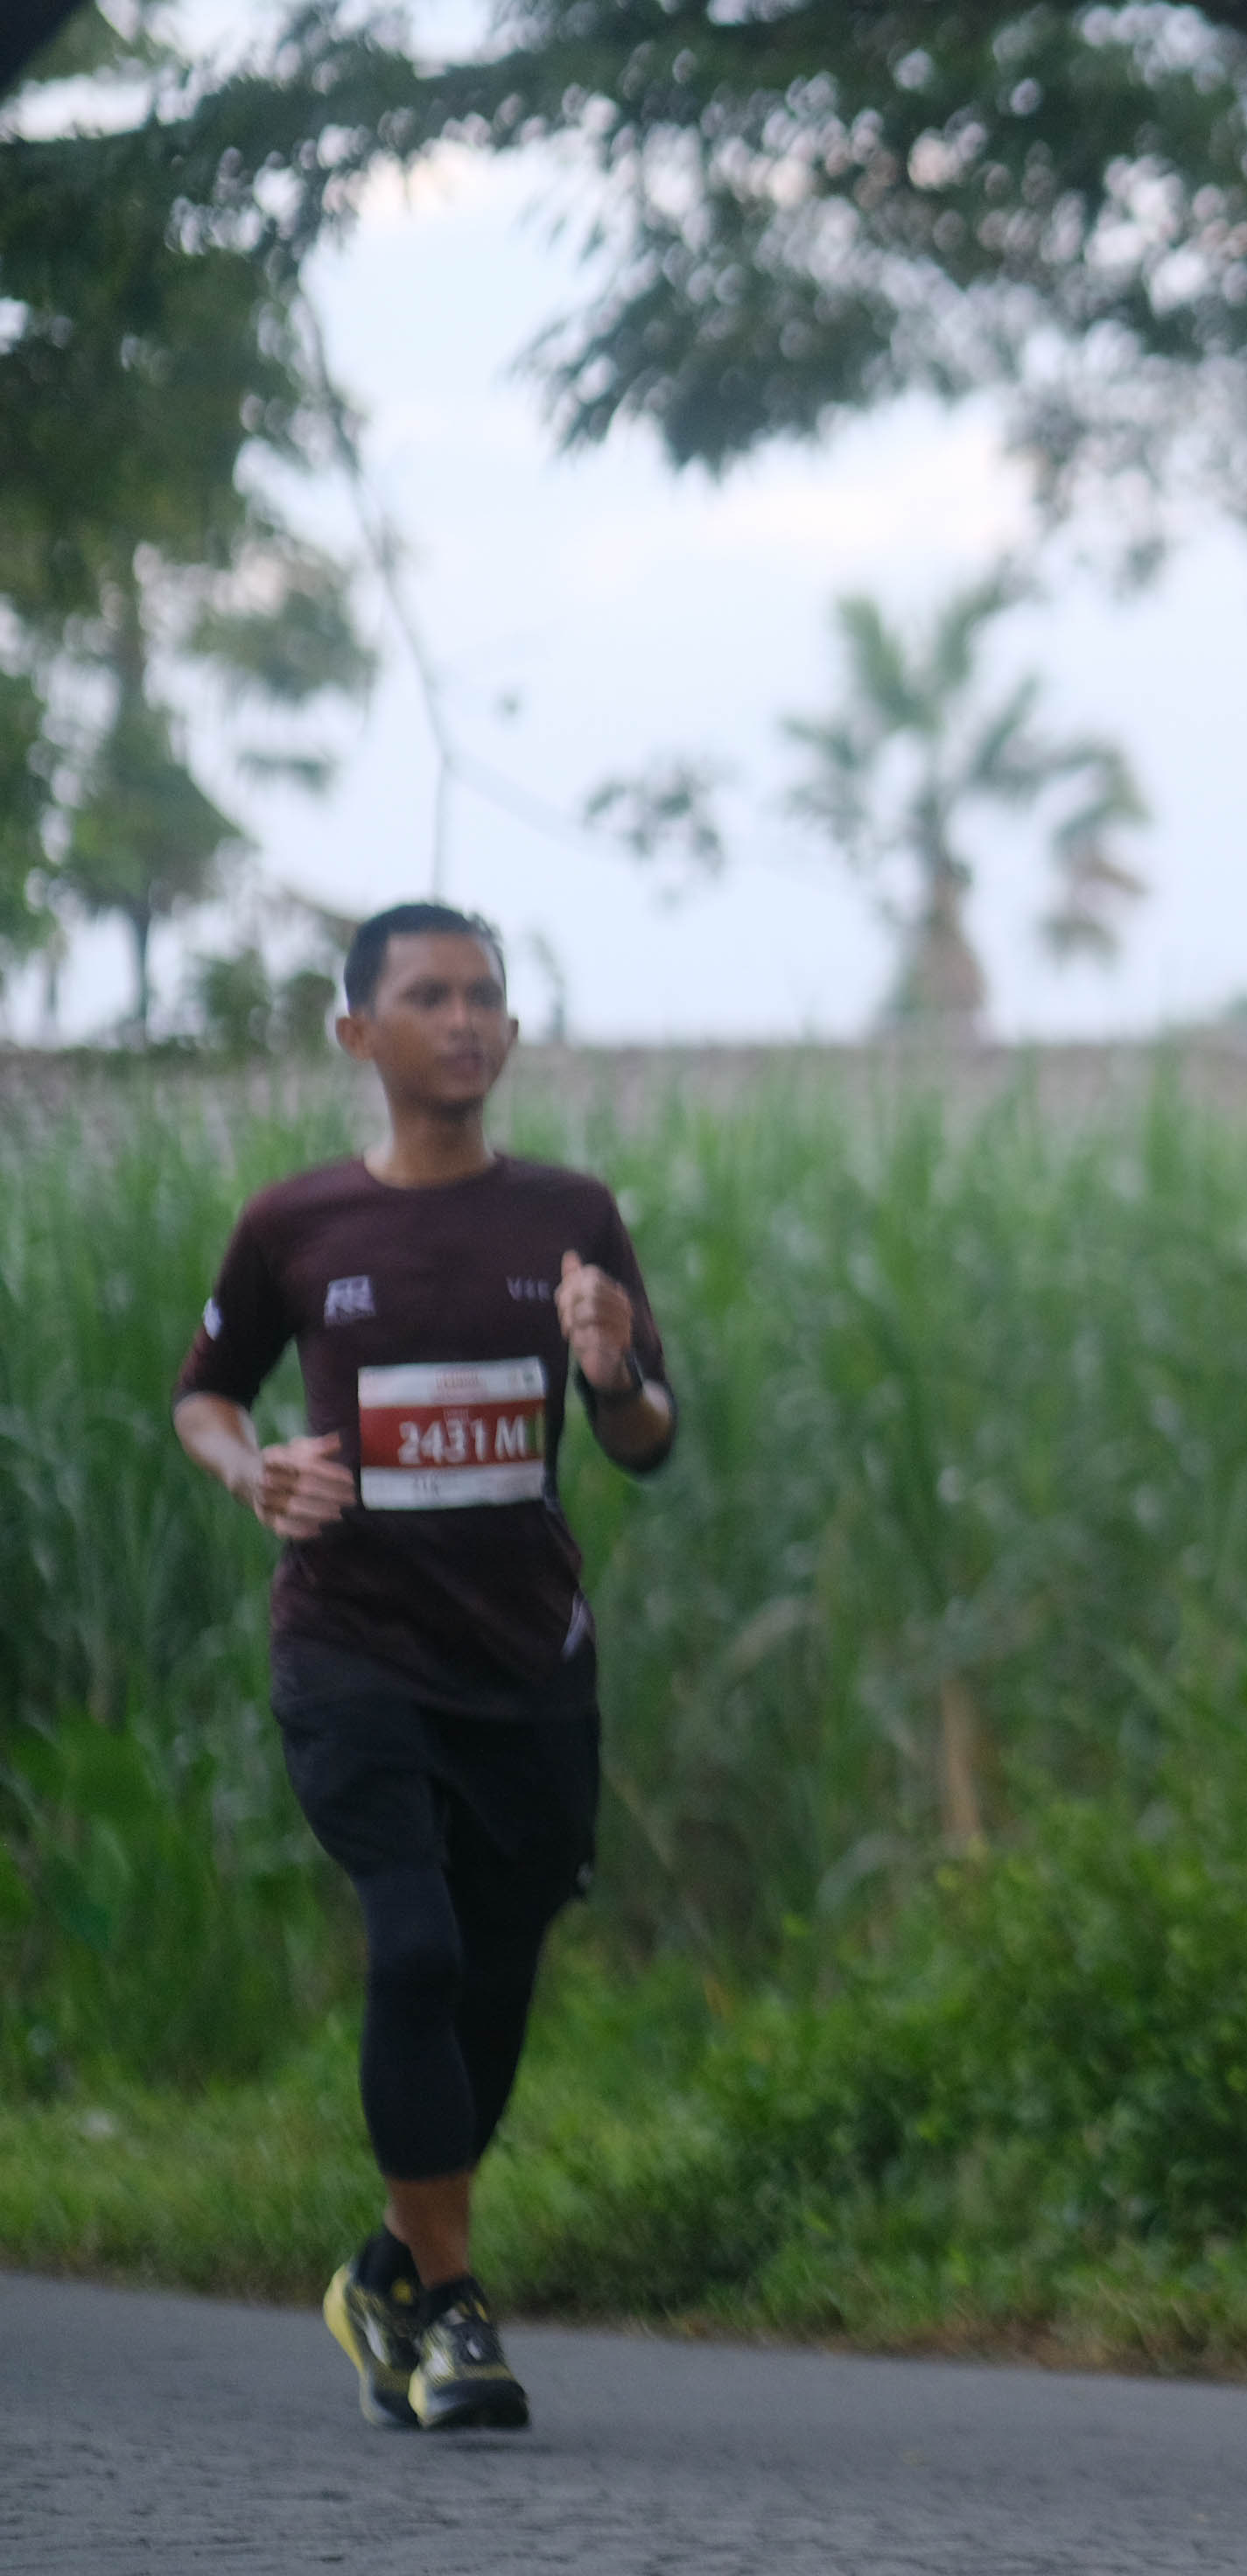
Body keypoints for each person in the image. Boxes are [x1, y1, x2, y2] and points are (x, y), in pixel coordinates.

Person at [172, 901, 677, 2435]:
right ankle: (455, 2312)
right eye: (431, 996)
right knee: (415, 1949)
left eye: (486, 997)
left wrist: (612, 1368)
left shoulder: (571, 1216)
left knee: (496, 1974)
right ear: (358, 1033)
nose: (465, 1021)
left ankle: (387, 2270)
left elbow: (646, 1439)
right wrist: (254, 1470)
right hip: (353, 1650)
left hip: (528, 1663)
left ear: (510, 1031)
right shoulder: (297, 1223)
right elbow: (204, 1396)